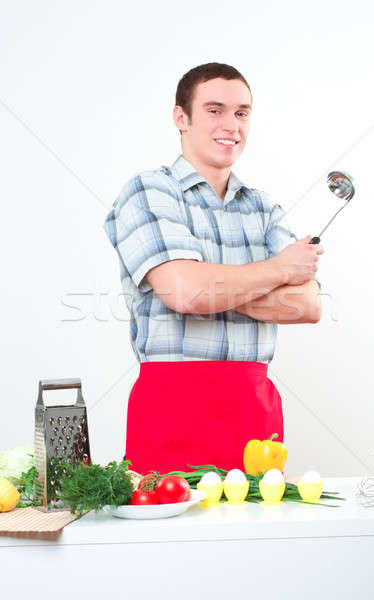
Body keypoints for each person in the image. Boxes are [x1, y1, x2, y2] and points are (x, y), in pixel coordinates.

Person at [103, 62, 324, 475]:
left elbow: (307, 307)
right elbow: (186, 293)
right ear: (181, 118)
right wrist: (279, 268)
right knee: (169, 535)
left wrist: (210, 287)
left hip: (254, 416)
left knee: (257, 535)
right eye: (215, 110)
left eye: (242, 113)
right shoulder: (149, 190)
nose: (232, 125)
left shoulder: (264, 207)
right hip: (171, 411)